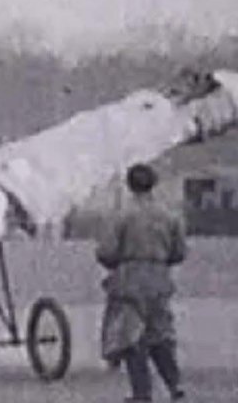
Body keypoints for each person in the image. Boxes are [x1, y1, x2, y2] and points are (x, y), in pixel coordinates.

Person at [96, 164, 187, 402]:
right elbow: (179, 252)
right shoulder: (170, 216)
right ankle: (174, 383)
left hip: (130, 278)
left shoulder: (122, 215)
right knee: (161, 333)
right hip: (159, 277)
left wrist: (117, 264)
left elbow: (106, 252)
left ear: (129, 185)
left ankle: (142, 393)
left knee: (132, 337)